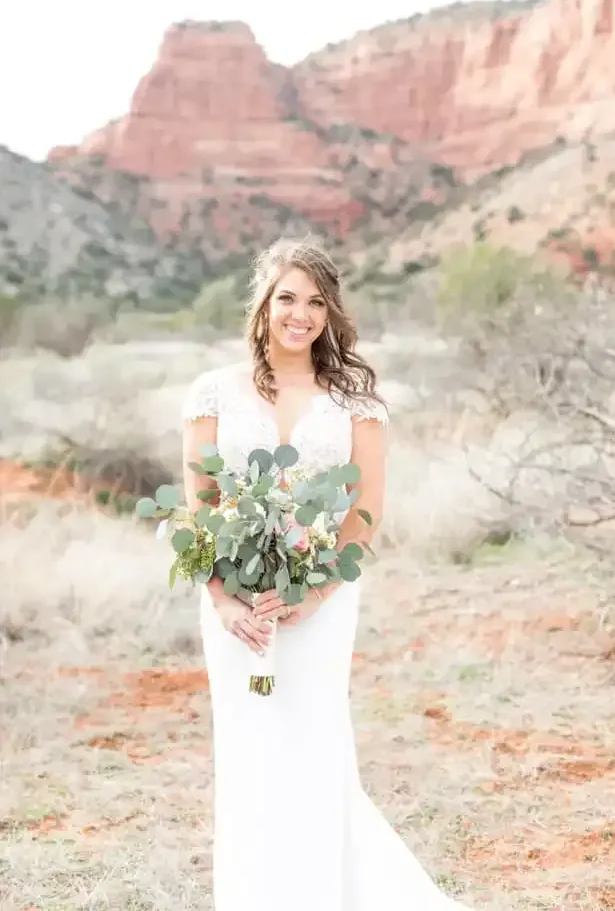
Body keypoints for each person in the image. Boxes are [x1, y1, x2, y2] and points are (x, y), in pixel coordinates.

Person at [181, 239, 472, 910]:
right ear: (263, 303)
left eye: (316, 301)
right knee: (250, 755)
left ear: (331, 311)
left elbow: (365, 510)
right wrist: (223, 599)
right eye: (287, 297)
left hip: (321, 600)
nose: (300, 314)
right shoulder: (213, 393)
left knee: (312, 749)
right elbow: (200, 504)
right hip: (234, 604)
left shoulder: (355, 400)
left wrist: (313, 592)